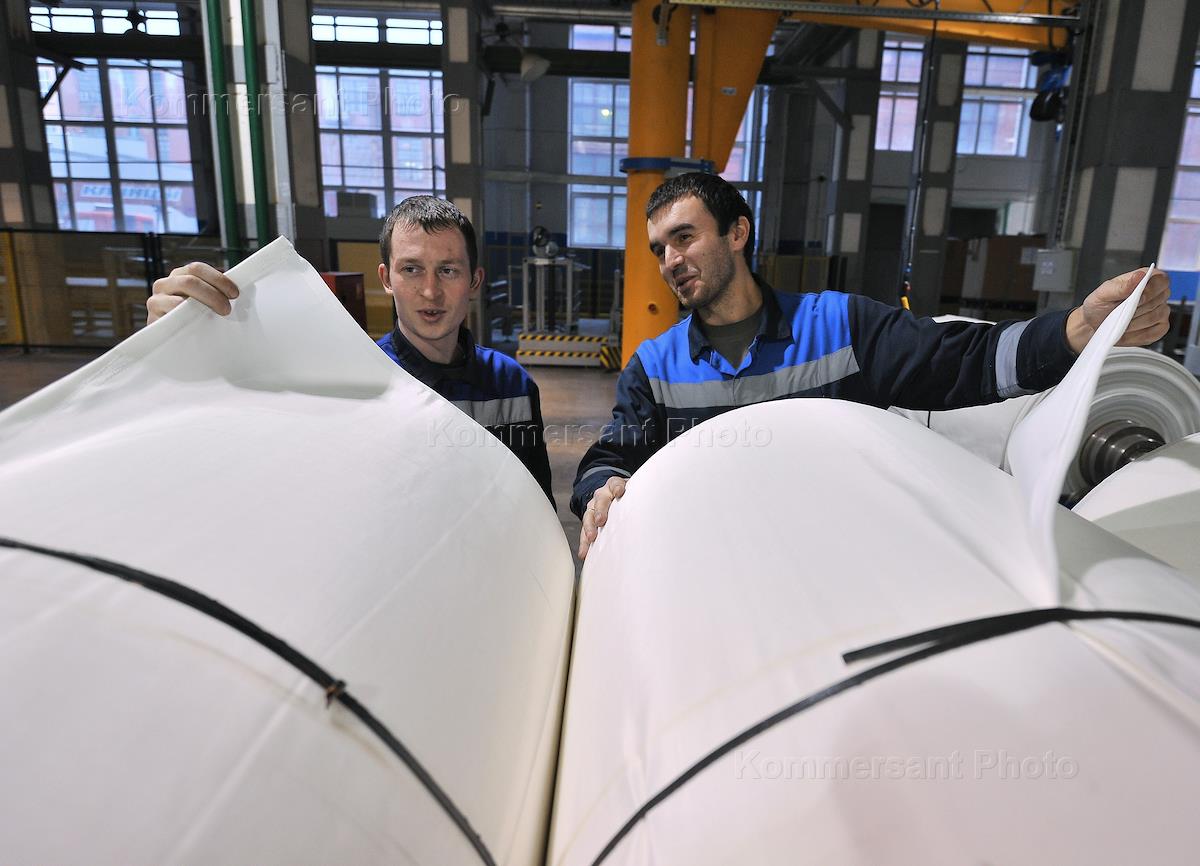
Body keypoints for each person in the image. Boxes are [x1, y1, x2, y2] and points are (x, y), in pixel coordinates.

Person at [572, 172, 1171, 559]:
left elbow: (964, 361)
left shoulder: (839, 326)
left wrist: (1076, 331)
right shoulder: (655, 366)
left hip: (838, 562)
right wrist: (602, 489)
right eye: (659, 249)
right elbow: (609, 457)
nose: (670, 261)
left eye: (684, 238)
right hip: (717, 567)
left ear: (737, 233)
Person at [147, 196, 555, 506]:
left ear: (474, 281)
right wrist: (172, 351)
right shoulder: (350, 382)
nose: (430, 291)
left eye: (448, 270)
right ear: (386, 278)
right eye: (411, 269)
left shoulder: (511, 384)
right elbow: (230, 439)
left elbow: (536, 507)